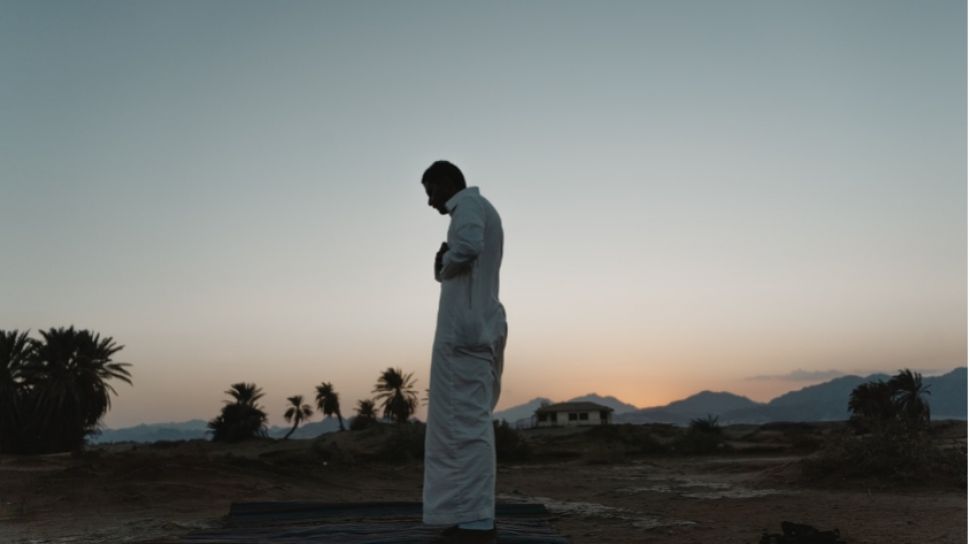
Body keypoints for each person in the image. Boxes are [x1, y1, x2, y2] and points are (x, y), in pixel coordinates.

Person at [421, 160, 508, 544]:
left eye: (430, 191)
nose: (430, 202)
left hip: (465, 333)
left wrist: (444, 263)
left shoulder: (468, 207)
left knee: (466, 427)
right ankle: (469, 514)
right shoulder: (478, 209)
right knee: (462, 425)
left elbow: (469, 246)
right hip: (473, 329)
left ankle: (476, 522)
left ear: (447, 183)